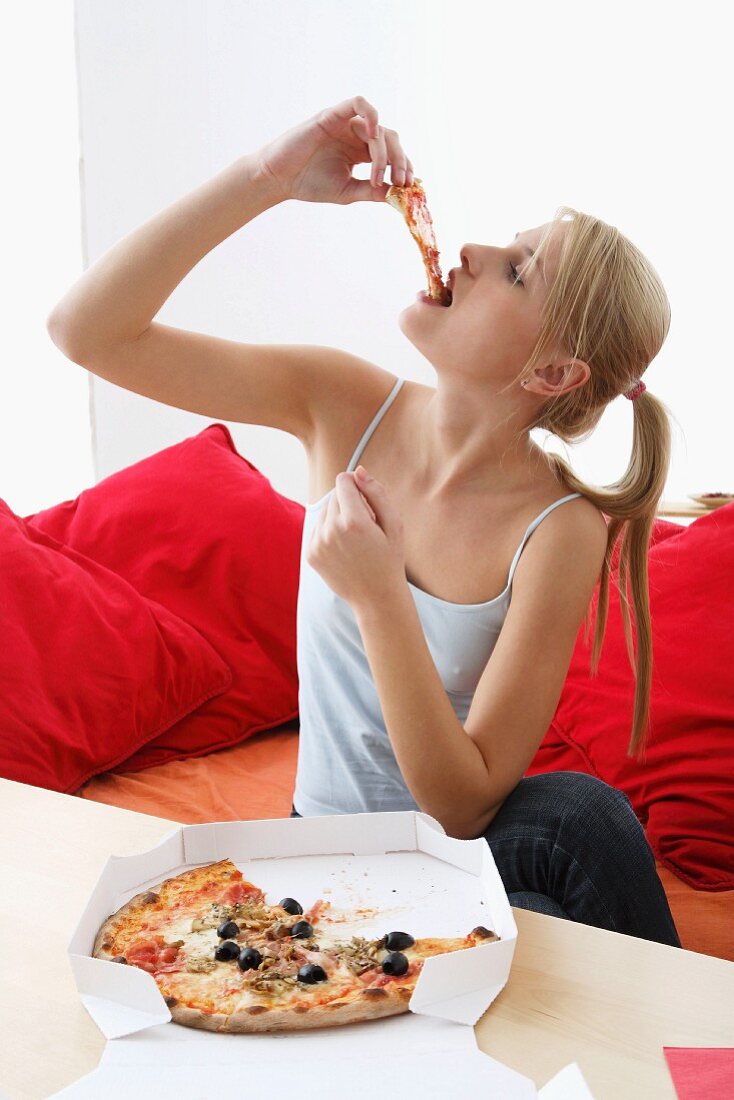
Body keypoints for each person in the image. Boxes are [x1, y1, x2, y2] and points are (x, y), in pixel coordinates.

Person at [47, 95, 680, 947]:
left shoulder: (557, 528)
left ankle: (692, 1062)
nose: (472, 249)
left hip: (444, 846)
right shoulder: (343, 404)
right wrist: (266, 178)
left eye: (518, 270)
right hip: (322, 854)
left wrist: (380, 596)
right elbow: (86, 332)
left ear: (555, 372)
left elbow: (463, 802)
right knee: (535, 931)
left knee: (582, 819)